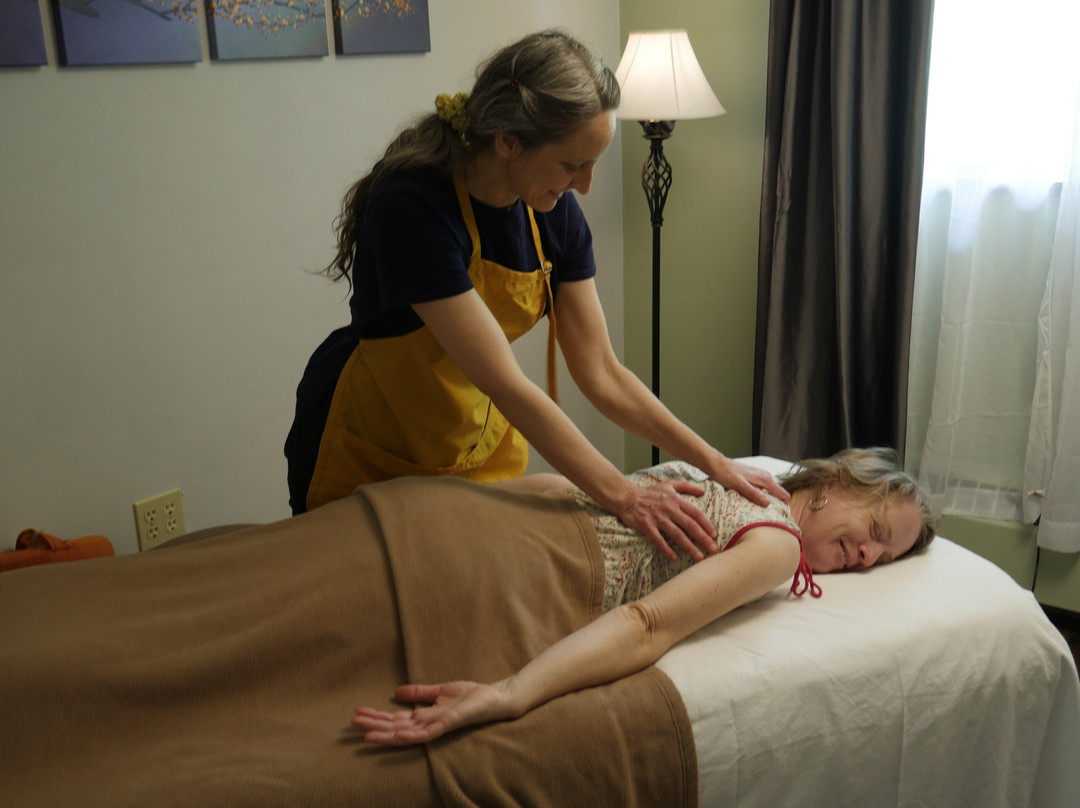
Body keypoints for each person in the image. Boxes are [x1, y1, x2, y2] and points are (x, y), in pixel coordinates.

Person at [284, 29, 787, 562]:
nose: (585, 186)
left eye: (592, 164)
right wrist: (625, 495)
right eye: (572, 165)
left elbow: (601, 371)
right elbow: (505, 382)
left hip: (473, 445)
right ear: (508, 142)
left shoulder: (552, 212)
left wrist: (716, 463)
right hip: (374, 446)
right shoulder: (412, 206)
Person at [353, 447, 936, 745]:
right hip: (531, 538)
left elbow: (649, 621)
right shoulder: (764, 515)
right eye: (877, 531)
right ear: (834, 484)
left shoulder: (765, 525)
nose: (868, 557)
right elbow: (646, 620)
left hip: (516, 530)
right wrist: (510, 693)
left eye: (883, 558)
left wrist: (512, 692)